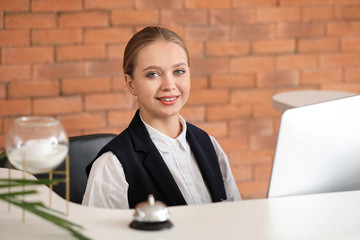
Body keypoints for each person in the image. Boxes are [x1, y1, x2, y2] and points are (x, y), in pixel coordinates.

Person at [82, 26, 241, 209]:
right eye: (153, 74)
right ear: (131, 83)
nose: (169, 85)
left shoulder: (209, 145)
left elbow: (236, 217)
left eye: (179, 71)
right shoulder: (112, 166)